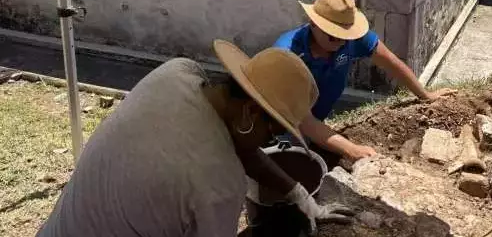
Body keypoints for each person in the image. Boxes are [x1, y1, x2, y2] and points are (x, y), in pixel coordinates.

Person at [38, 40, 353, 237]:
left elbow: (236, 144)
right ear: (250, 115)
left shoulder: (177, 74)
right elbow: (221, 157)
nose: (267, 140)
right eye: (272, 131)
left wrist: (299, 195)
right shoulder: (217, 187)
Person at [277, 0, 455, 162]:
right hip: (279, 131)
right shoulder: (287, 56)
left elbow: (391, 62)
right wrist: (352, 149)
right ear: (313, 23)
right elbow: (303, 120)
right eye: (333, 36)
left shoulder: (351, 40)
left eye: (346, 36)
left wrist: (425, 95)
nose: (341, 42)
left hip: (314, 123)